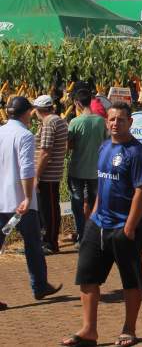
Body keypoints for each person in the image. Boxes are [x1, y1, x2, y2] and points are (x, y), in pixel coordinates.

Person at [63, 102, 142, 347]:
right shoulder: (104, 147)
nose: (115, 123)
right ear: (106, 122)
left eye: (121, 120)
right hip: (98, 223)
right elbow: (103, 184)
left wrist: (130, 227)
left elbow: (141, 190)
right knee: (87, 277)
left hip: (124, 227)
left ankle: (129, 329)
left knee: (131, 280)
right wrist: (92, 215)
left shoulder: (136, 152)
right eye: (111, 119)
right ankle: (89, 331)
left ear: (130, 123)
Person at [0, 96, 62, 305]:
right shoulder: (24, 135)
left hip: (1, 201)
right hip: (20, 204)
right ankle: (39, 285)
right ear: (26, 112)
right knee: (33, 244)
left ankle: (41, 285)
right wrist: (28, 196)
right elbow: (27, 169)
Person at [67, 89, 107, 246]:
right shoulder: (101, 121)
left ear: (77, 103)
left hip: (77, 170)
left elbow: (68, 145)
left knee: (77, 205)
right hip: (95, 171)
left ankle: (82, 236)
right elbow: (106, 142)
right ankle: (94, 235)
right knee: (94, 204)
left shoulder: (75, 122)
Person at [33, 94, 68, 255]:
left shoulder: (49, 123)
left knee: (49, 209)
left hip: (47, 174)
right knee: (47, 208)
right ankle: (47, 240)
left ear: (39, 110)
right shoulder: (56, 121)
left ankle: (50, 242)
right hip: (50, 173)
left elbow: (45, 152)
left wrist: (36, 176)